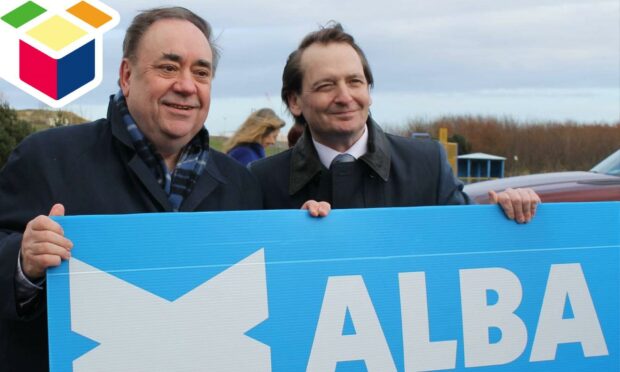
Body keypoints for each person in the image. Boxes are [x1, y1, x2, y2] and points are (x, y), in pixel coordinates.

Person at [0, 7, 266, 372]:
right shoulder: (45, 158)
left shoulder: (242, 185)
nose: (187, 85)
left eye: (201, 72)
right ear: (127, 76)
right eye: (168, 67)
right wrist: (22, 262)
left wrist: (314, 232)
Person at [249, 22, 540, 221]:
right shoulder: (261, 181)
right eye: (326, 86)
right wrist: (290, 237)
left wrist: (507, 213)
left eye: (355, 82)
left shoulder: (428, 165)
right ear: (294, 101)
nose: (345, 96)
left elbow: (469, 250)